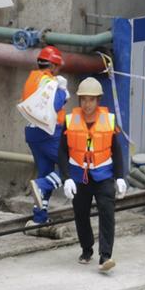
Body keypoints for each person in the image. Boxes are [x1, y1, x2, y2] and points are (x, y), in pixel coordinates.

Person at [58, 77, 127, 272]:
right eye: (84, 99)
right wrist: (67, 178)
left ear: (98, 101)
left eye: (91, 99)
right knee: (81, 213)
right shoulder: (71, 121)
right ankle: (86, 248)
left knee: (107, 213)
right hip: (79, 176)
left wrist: (120, 176)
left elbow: (117, 150)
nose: (87, 104)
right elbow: (62, 151)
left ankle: (105, 256)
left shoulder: (108, 120)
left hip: (103, 175)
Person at [22, 46, 69, 227]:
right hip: (49, 133)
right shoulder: (49, 82)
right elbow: (54, 105)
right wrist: (62, 91)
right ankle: (42, 185)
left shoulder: (32, 78)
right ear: (54, 66)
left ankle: (39, 218)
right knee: (73, 165)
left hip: (33, 133)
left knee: (46, 172)